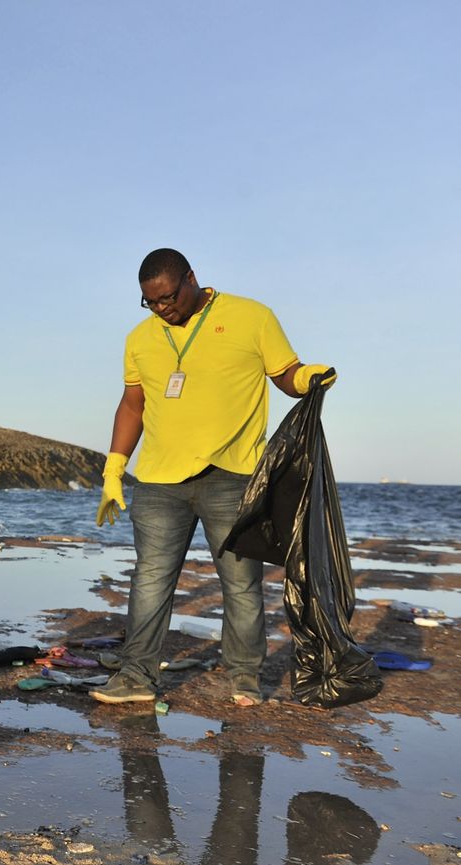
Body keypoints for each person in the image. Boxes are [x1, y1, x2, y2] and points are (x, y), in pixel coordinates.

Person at [93, 248, 334, 707]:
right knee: (149, 579)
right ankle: (136, 678)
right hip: (160, 481)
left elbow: (283, 372)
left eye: (167, 297)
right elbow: (132, 404)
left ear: (191, 279)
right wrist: (114, 468)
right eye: (151, 302)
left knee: (240, 583)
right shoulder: (141, 338)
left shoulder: (251, 316)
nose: (162, 308)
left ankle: (244, 677)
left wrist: (305, 379)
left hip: (233, 476)